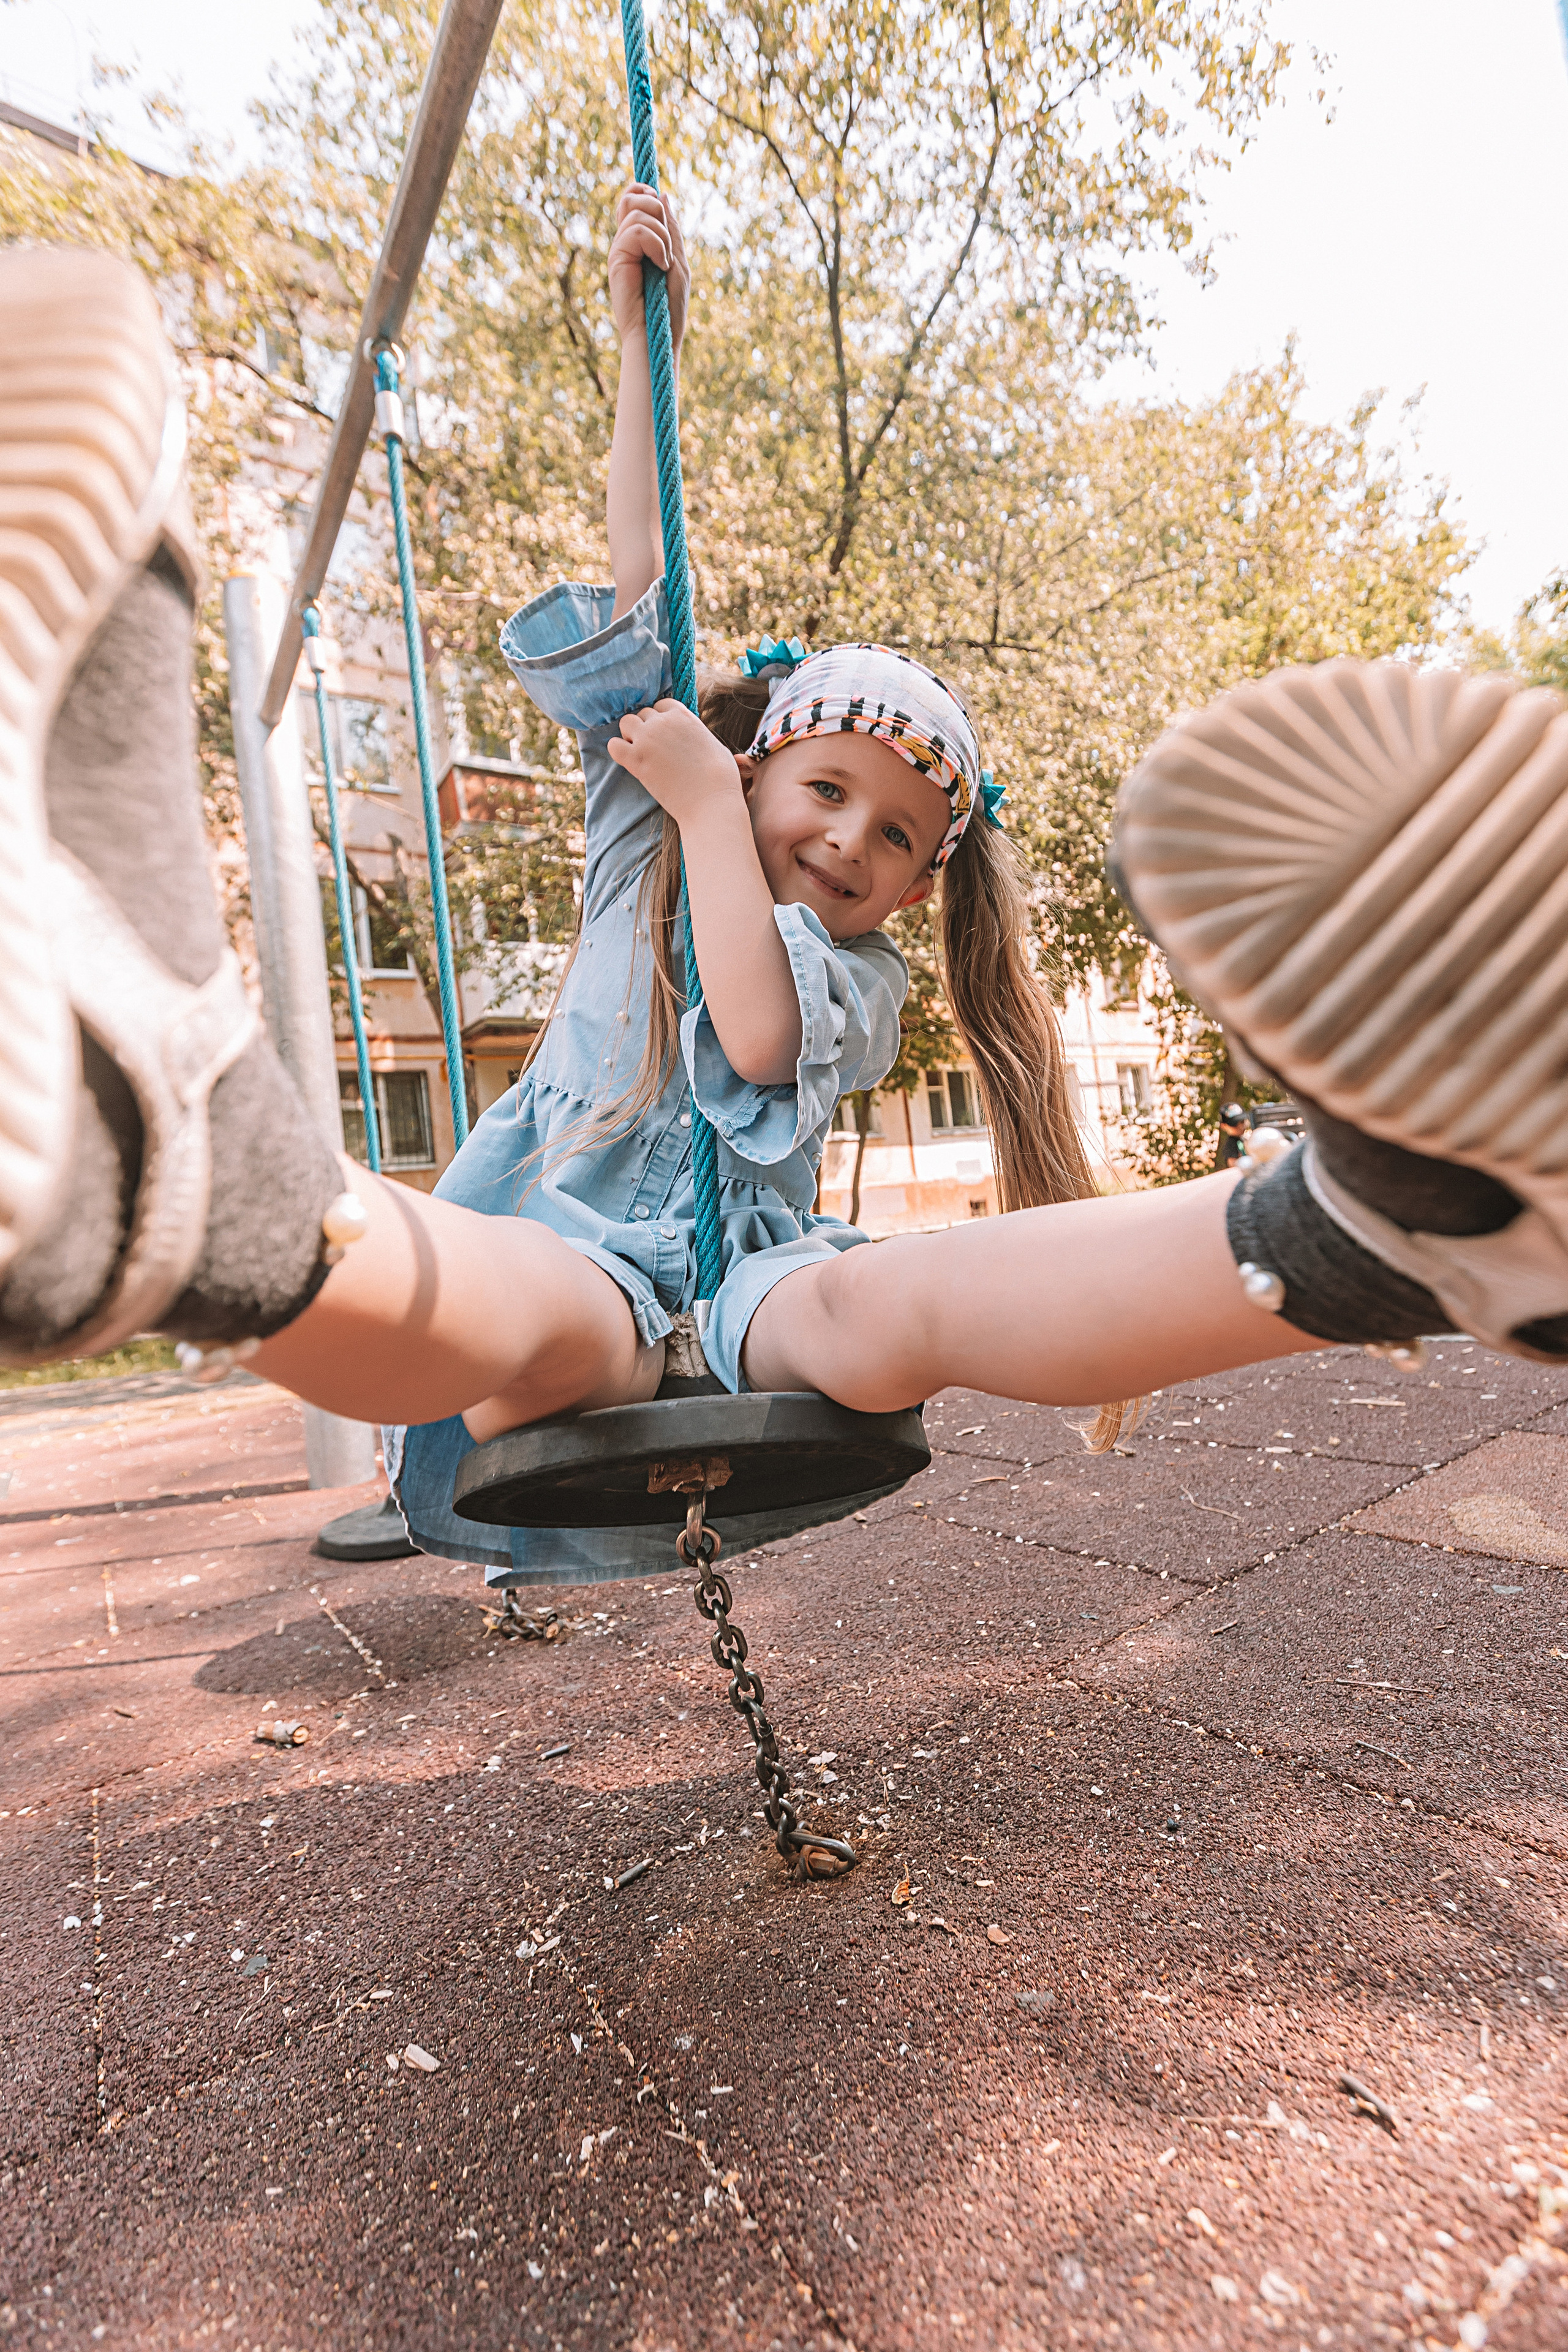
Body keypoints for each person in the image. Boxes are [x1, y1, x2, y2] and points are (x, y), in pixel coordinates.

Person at [3, 223, 1567, 1583]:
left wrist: (706, 794)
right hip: (578, 1256)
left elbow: (752, 1045)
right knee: (504, 1314)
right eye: (821, 790)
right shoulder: (647, 823)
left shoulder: (847, 971)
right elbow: (640, 585)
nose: (848, 843)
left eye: (895, 838)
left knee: (899, 1308)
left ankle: (1405, 1224)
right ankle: (184, 1186)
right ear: (757, 766)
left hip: (755, 1278)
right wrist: (639, 344)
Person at [1216, 1103, 1250, 1170]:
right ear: (1223, 1126)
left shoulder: (1243, 1140)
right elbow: (1233, 1166)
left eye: (1242, 1122)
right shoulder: (1230, 1144)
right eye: (1235, 1124)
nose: (1240, 1126)